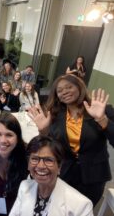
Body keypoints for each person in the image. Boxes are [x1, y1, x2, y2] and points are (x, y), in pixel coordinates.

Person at [27, 74, 114, 206]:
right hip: (65, 173)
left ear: (79, 87)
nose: (64, 92)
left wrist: (102, 119)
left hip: (94, 175)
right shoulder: (55, 114)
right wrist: (43, 131)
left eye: (69, 87)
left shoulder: (101, 109)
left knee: (84, 209)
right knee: (60, 207)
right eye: (60, 90)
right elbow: (51, 147)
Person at [9, 135, 93, 216]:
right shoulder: (24, 187)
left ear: (59, 167)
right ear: (28, 164)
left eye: (48, 160)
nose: (40, 166)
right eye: (34, 159)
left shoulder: (81, 205)